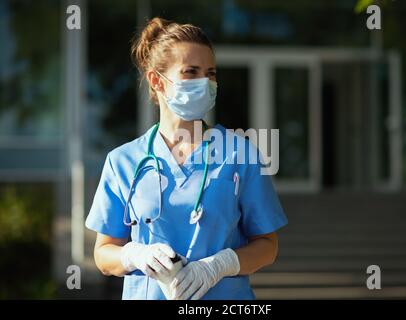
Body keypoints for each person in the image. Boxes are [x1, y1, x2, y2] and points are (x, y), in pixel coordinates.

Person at [85, 17, 288, 300]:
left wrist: (219, 265)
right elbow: (103, 254)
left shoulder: (241, 155)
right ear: (157, 80)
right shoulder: (123, 161)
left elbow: (267, 245)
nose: (205, 83)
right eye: (191, 72)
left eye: (211, 73)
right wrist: (135, 254)